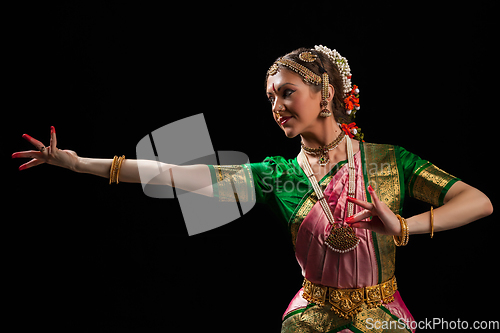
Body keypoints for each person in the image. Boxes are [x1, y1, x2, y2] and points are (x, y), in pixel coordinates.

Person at [13, 45, 493, 332]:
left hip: (383, 317)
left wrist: (406, 224)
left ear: (326, 93)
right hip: (310, 319)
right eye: (270, 98)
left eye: (287, 92)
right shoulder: (274, 176)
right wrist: (77, 164)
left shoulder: (390, 163)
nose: (277, 105)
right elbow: (172, 172)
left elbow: (478, 201)